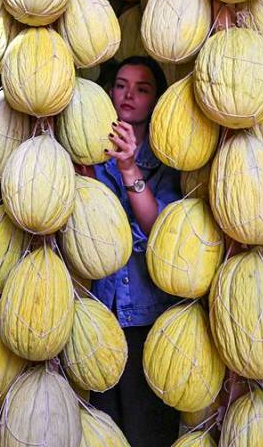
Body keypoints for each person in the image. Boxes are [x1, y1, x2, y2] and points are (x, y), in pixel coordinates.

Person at [88, 56, 181, 447]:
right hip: (99, 315)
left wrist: (129, 169)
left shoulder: (169, 159)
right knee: (102, 427)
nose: (129, 95)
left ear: (154, 99)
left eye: (142, 89)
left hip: (146, 316)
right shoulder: (90, 151)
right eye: (122, 85)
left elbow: (159, 230)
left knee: (146, 432)